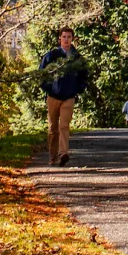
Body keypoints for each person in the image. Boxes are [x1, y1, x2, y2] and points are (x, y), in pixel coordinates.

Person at [40, 27, 88, 166]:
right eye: (64, 37)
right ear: (59, 38)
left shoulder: (77, 57)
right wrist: (49, 88)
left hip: (69, 97)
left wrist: (77, 90)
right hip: (53, 96)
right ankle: (52, 156)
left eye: (69, 37)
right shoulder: (51, 55)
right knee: (53, 128)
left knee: (64, 126)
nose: (66, 39)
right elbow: (41, 74)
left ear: (72, 39)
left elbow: (84, 76)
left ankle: (63, 153)